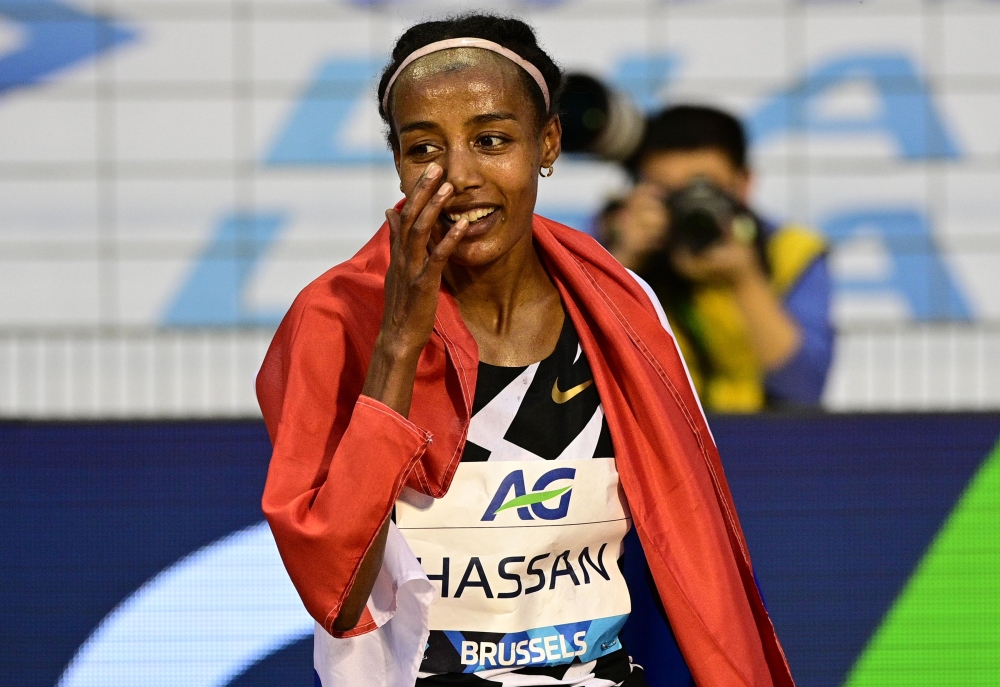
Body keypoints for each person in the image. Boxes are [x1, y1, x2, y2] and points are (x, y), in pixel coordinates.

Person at [257, 14, 793, 687]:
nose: (459, 175)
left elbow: (698, 553)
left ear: (548, 142)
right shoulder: (336, 318)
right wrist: (397, 344)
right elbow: (335, 588)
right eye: (424, 148)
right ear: (398, 163)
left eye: (491, 140)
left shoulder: (620, 306)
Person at [600, 106, 833, 413]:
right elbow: (578, 367)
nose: (689, 206)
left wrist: (745, 280)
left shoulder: (791, 251)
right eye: (668, 193)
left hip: (763, 435)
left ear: (743, 183)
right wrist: (625, 261)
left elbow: (803, 390)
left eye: (703, 189)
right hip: (655, 433)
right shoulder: (611, 244)